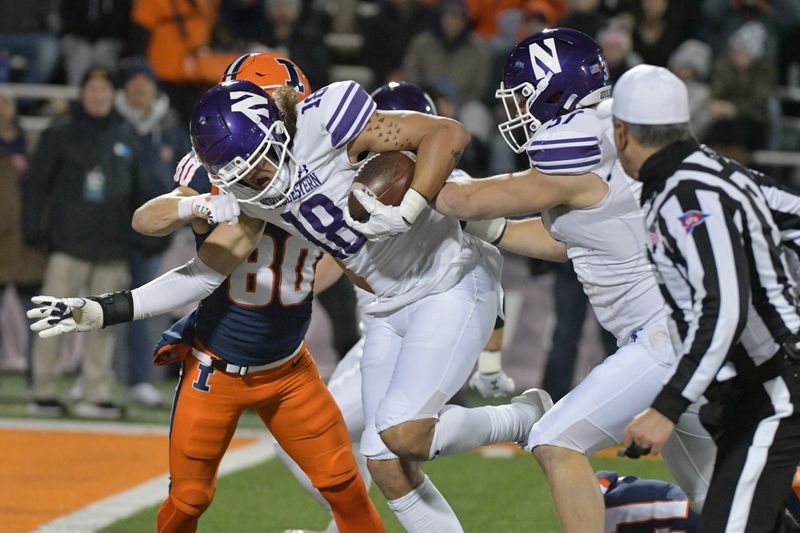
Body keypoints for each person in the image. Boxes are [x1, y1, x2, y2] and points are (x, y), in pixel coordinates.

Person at [29, 74, 550, 533]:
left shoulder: (328, 120)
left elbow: (448, 134)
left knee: (403, 435)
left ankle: (522, 419)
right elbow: (202, 274)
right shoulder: (250, 195)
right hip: (388, 308)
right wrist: (102, 310)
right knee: (382, 458)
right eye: (245, 178)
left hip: (447, 278)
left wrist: (410, 207)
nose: (262, 180)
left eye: (262, 165)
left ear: (277, 132)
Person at [434, 28, 716, 532]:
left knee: (555, 440)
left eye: (522, 93)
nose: (516, 108)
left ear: (552, 89)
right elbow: (572, 245)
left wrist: (420, 167)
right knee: (719, 501)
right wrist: (493, 229)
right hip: (675, 332)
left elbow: (463, 200)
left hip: (661, 336)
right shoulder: (608, 133)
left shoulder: (573, 139)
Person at [130, 52, 385, 533]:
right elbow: (154, 220)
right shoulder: (213, 171)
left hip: (287, 360)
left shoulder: (322, 157)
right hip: (218, 358)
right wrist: (200, 205)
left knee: (346, 486)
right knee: (187, 500)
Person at [607, 64, 800, 533]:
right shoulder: (716, 172)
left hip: (773, 388)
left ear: (622, 134)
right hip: (748, 393)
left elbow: (724, 308)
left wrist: (666, 408)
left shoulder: (685, 194)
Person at [22, 66, 157, 419]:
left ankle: (96, 393)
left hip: (112, 247)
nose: (98, 96)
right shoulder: (60, 132)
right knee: (53, 319)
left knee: (102, 324)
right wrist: (34, 227)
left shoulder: (127, 133)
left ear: (113, 95)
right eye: (92, 89)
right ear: (82, 93)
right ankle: (44, 391)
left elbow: (141, 191)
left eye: (105, 90)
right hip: (67, 244)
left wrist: (143, 235)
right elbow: (35, 184)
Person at [115, 56, 187, 406]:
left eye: (145, 81)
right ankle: (92, 377)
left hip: (152, 235)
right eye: (133, 82)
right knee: (103, 303)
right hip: (109, 232)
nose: (140, 88)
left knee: (141, 308)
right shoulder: (112, 122)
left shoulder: (170, 125)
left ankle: (140, 378)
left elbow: (182, 177)